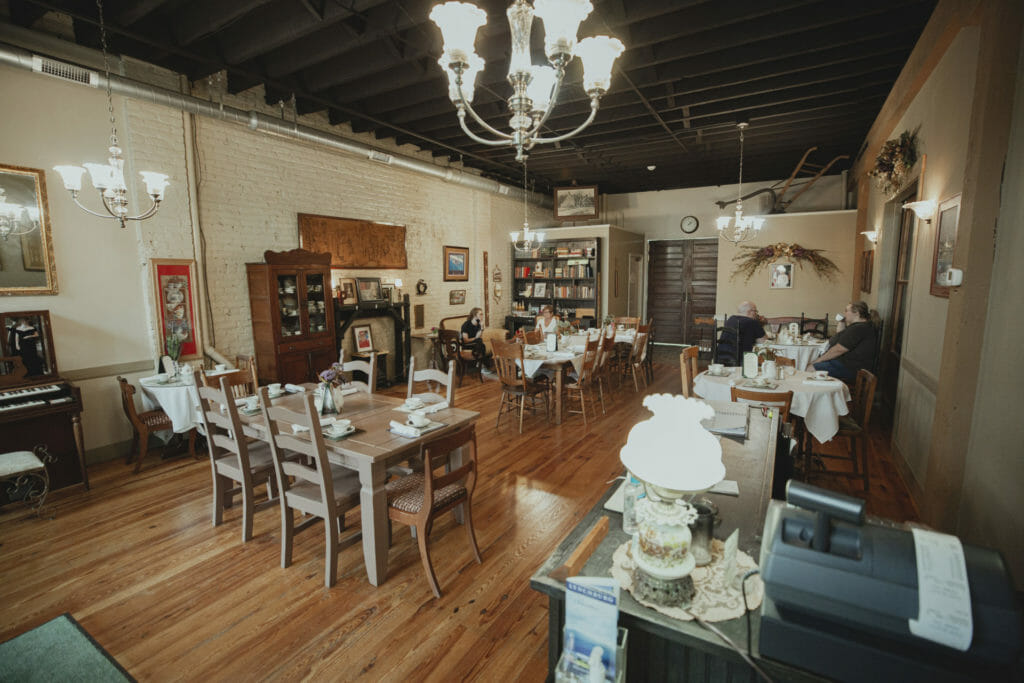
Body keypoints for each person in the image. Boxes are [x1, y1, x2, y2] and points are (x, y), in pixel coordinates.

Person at [812, 301, 877, 381]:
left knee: (810, 368)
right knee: (814, 362)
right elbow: (840, 335)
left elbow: (839, 349)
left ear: (856, 313)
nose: (844, 313)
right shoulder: (860, 325)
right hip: (847, 364)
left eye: (846, 310)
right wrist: (841, 321)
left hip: (851, 368)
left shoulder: (859, 328)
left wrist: (818, 361)